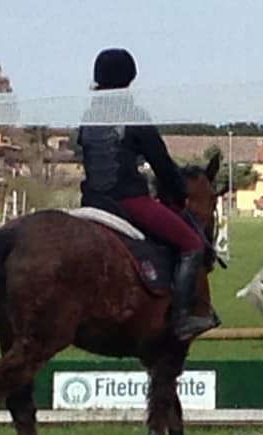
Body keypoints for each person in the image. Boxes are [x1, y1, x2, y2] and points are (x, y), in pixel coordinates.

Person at [78, 48, 219, 342]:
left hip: (91, 203)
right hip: (129, 202)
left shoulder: (88, 118)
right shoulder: (134, 117)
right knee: (192, 243)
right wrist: (179, 194)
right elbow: (163, 165)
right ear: (128, 80)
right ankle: (182, 318)